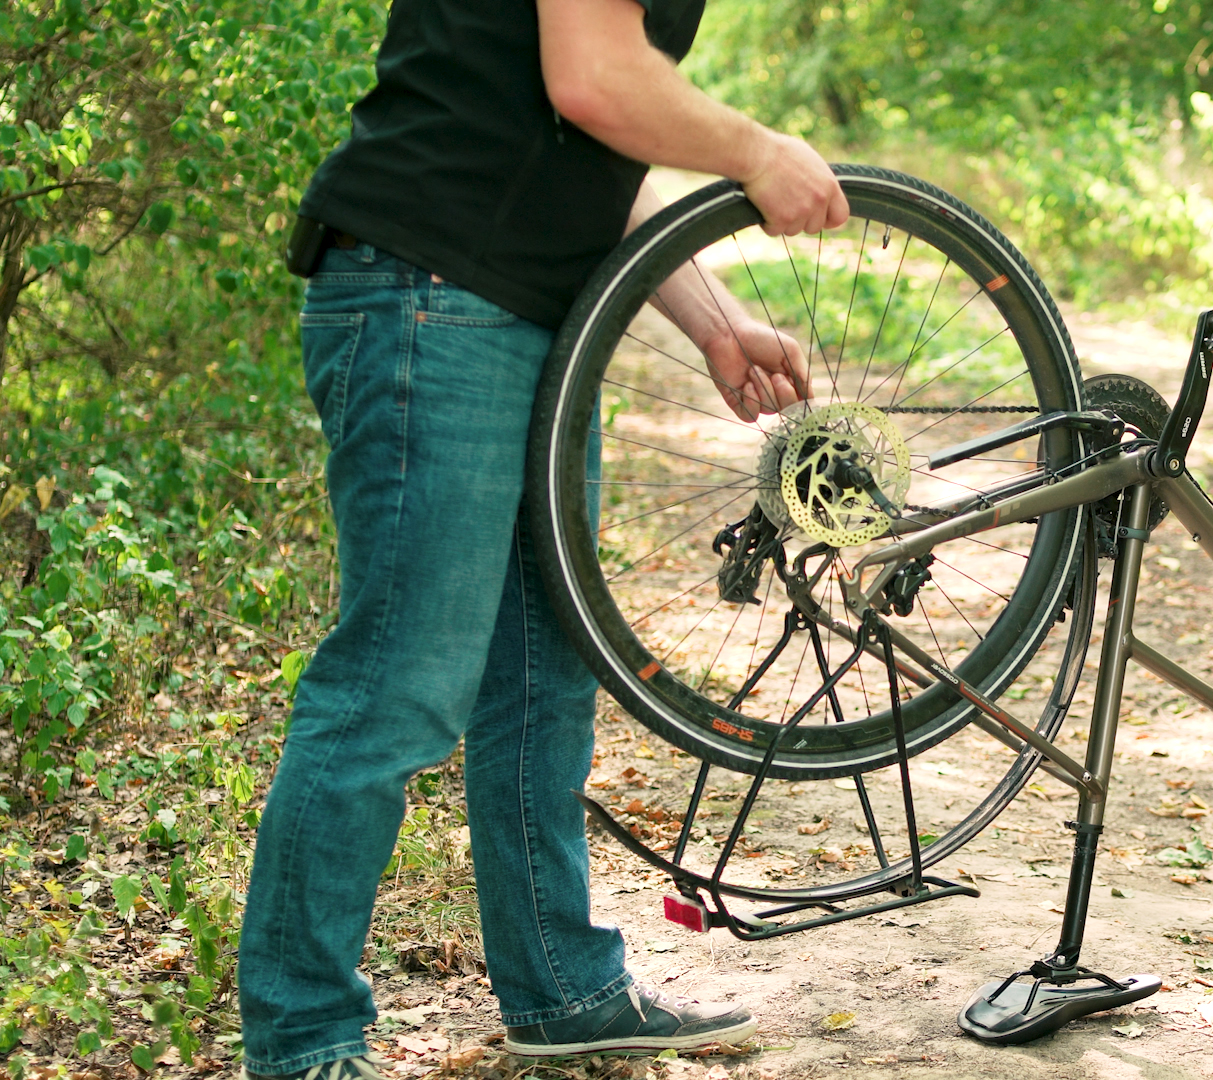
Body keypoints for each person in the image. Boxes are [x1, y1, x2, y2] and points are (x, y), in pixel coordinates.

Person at [238, 0, 849, 1075]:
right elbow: (596, 80)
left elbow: (593, 141)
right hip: (430, 290)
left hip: (521, 311)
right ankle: (303, 1040)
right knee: (398, 685)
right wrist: (758, 151)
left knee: (541, 676)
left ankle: (564, 992)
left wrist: (714, 322)